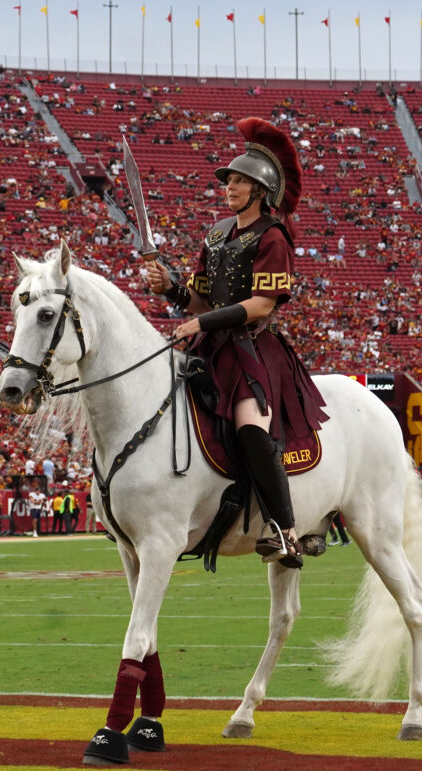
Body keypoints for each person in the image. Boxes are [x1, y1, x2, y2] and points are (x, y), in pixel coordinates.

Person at [145, 117, 328, 569]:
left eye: (240, 181)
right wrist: (169, 286)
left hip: (252, 350)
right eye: (229, 180)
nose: (230, 186)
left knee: (250, 427)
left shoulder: (273, 235)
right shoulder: (215, 233)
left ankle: (285, 532)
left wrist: (201, 320)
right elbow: (198, 299)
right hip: (209, 347)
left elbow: (263, 304)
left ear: (260, 190)